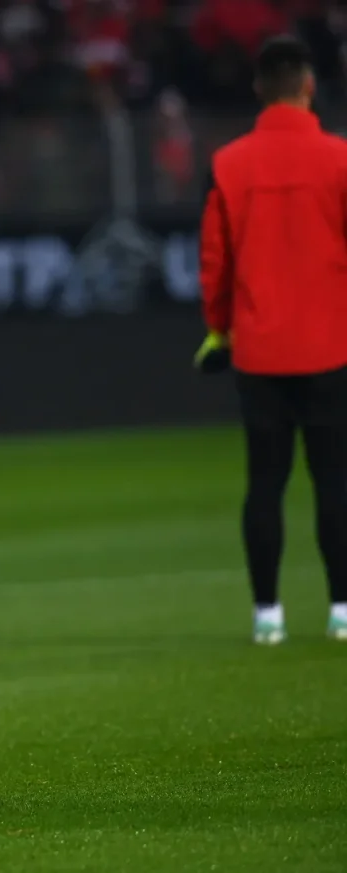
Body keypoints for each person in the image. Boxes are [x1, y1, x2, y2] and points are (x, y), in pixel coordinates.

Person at [197, 35, 347, 645]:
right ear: (308, 88)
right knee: (335, 481)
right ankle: (342, 609)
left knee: (265, 483)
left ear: (260, 90)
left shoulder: (231, 164)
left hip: (259, 351)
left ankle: (268, 615)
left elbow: (215, 262)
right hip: (332, 348)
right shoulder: (340, 160)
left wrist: (219, 328)